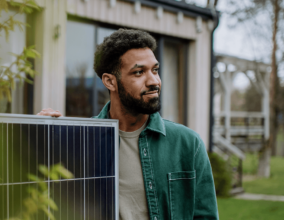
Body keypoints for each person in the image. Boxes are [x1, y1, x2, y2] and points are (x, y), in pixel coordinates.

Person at [38, 29, 219, 220]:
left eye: (155, 70)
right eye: (139, 72)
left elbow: (205, 216)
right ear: (110, 81)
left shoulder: (188, 144)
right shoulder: (78, 140)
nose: (154, 81)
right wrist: (34, 134)